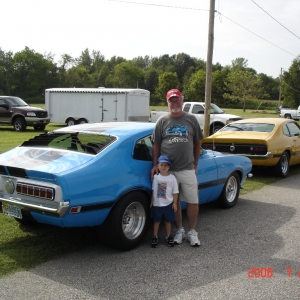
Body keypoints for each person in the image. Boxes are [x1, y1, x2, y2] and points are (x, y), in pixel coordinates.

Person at [151, 88, 203, 247]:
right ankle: (179, 229)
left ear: (182, 101)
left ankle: (192, 232)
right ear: (167, 103)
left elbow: (197, 143)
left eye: (177, 99)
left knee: (193, 201)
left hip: (187, 168)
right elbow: (156, 145)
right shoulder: (162, 121)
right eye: (171, 100)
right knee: (175, 202)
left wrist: (195, 164)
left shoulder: (191, 119)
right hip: (168, 171)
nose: (174, 103)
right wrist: (155, 165)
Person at [150, 155, 179, 248]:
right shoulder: (156, 177)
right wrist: (152, 200)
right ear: (158, 166)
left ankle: (168, 236)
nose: (163, 167)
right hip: (157, 204)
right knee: (156, 221)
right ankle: (155, 236)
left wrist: (174, 203)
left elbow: (175, 191)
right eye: (161, 165)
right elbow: (154, 190)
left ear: (169, 167)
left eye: (165, 165)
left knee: (168, 221)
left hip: (168, 204)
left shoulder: (172, 178)